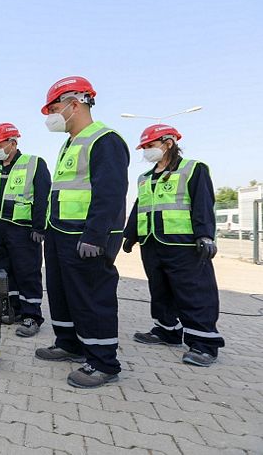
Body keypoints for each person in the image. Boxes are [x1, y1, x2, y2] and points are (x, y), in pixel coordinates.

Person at [34, 76, 130, 389]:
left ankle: (103, 362)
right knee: (62, 291)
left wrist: (95, 235)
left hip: (86, 235)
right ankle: (69, 343)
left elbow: (110, 193)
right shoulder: (70, 143)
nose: (51, 115)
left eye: (54, 107)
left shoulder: (104, 140)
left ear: (75, 105)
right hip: (61, 232)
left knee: (92, 296)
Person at [123, 124, 224, 366]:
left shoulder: (193, 169)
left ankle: (204, 344)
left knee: (193, 292)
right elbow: (140, 206)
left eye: (151, 145)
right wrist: (131, 234)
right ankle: (167, 330)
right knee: (160, 289)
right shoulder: (145, 178)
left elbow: (202, 203)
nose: (147, 151)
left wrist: (205, 235)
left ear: (169, 143)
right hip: (152, 242)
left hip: (184, 244)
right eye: (144, 147)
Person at [0, 123, 50, 337]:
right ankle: (11, 310)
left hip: (24, 230)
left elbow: (43, 198)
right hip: (0, 230)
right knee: (3, 272)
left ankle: (32, 316)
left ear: (13, 143)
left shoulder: (33, 164)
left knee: (27, 272)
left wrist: (40, 227)